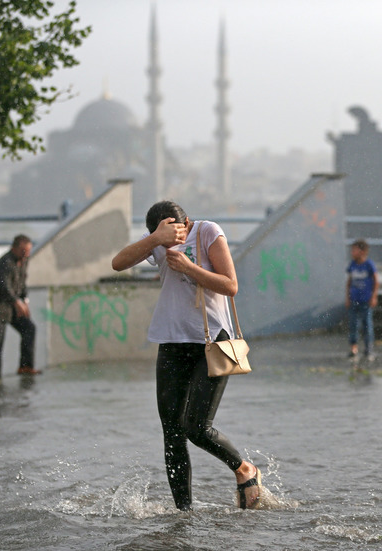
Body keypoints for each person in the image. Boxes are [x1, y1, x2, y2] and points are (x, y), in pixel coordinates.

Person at [111, 200, 265, 511]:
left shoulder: (208, 232)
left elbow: (231, 285)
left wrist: (189, 267)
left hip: (211, 341)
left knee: (197, 427)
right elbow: (117, 263)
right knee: (172, 430)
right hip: (171, 339)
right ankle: (184, 512)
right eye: (166, 232)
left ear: (187, 222)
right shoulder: (159, 241)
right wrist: (156, 239)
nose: (175, 238)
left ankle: (244, 468)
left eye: (178, 230)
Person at [0, 234, 39, 378]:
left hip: (14, 308)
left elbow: (22, 283)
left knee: (29, 329)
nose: (27, 255)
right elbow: (4, 286)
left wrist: (25, 301)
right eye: (24, 251)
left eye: (28, 251)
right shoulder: (4, 263)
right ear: (14, 249)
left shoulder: (23, 262)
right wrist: (16, 302)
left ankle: (26, 366)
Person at [345, 239, 379, 362]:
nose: (352, 252)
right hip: (354, 300)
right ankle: (353, 349)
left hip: (365, 300)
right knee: (353, 325)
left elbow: (376, 281)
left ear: (363, 251)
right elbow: (349, 282)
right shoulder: (352, 265)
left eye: (354, 250)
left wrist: (373, 296)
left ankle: (368, 349)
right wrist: (347, 297)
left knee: (367, 325)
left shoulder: (369, 265)